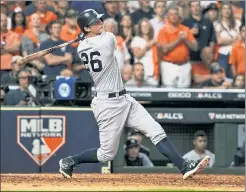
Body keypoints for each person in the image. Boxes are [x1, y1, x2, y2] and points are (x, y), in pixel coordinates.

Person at [59, 9, 210, 180]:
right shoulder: (107, 40)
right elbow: (104, 37)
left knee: (156, 131)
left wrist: (84, 37)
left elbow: (89, 42)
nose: (100, 23)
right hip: (107, 105)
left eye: (99, 21)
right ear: (86, 28)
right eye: (95, 22)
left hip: (124, 98)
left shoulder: (81, 47)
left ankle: (184, 166)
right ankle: (70, 161)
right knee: (106, 155)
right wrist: (86, 36)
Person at [158, 6, 198, 88]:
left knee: (185, 93)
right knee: (168, 92)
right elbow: (164, 49)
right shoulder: (163, 30)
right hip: (169, 65)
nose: (174, 16)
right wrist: (179, 40)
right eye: (171, 14)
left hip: (184, 65)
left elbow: (195, 47)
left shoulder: (185, 29)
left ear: (179, 16)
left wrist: (186, 39)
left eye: (176, 14)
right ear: (167, 16)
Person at [182, 1, 216, 85]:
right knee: (192, 82)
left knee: (206, 83)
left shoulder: (208, 22)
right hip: (191, 58)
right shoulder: (185, 22)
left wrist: (209, 57)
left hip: (205, 61)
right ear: (190, 8)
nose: (196, 8)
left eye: (197, 6)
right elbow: (181, 39)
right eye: (193, 6)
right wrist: (189, 32)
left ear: (200, 7)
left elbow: (212, 40)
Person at [214, 2, 241, 78]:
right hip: (223, 54)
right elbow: (219, 41)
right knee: (223, 77)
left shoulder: (237, 23)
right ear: (221, 11)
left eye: (229, 8)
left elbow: (240, 39)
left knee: (236, 77)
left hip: (236, 53)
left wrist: (226, 40)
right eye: (224, 9)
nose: (227, 11)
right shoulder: (217, 24)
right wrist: (234, 40)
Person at [131, 18, 159, 86]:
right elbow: (137, 55)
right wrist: (148, 45)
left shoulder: (155, 40)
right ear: (140, 28)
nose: (145, 28)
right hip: (141, 74)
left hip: (153, 74)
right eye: (143, 26)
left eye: (147, 26)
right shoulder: (136, 39)